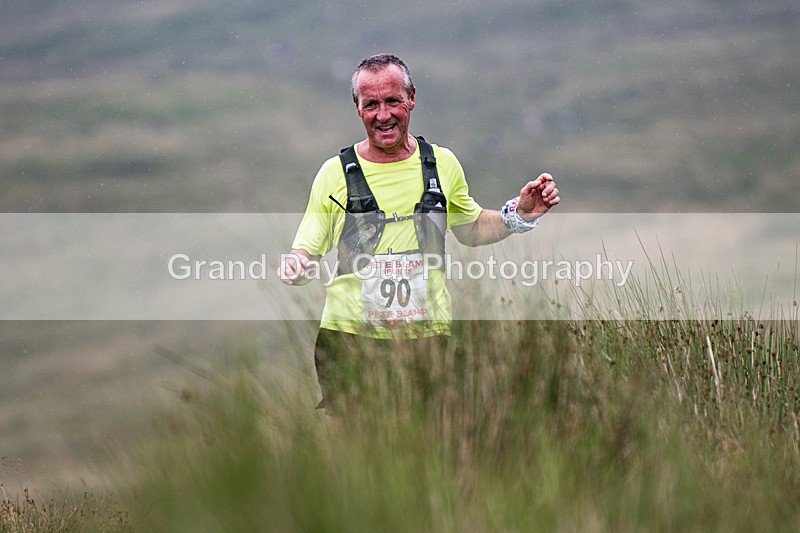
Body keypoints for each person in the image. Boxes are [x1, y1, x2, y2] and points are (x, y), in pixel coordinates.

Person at [278, 53, 560, 413]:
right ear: (357, 107)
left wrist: (518, 214)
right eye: (371, 104)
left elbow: (470, 228)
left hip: (429, 337)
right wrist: (296, 266)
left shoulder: (442, 164)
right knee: (352, 454)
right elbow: (308, 249)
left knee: (430, 450)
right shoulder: (333, 174)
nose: (383, 115)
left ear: (411, 98)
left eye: (393, 101)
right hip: (348, 340)